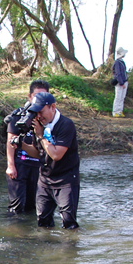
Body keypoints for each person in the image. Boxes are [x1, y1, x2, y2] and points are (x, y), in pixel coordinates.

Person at [22, 92, 80, 229]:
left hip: (66, 180)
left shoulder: (66, 125)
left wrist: (41, 136)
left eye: (41, 112)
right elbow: (38, 153)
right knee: (43, 222)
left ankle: (70, 249)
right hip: (45, 180)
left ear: (52, 107)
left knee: (69, 223)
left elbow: (56, 155)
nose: (39, 116)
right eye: (36, 113)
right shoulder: (38, 126)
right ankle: (46, 249)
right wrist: (22, 145)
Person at [6, 80, 49, 214]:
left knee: (34, 206)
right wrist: (10, 165)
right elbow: (10, 141)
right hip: (20, 165)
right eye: (37, 96)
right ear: (30, 97)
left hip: (39, 167)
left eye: (44, 95)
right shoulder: (19, 115)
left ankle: (31, 234)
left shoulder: (49, 117)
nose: (40, 99)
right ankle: (15, 232)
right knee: (17, 206)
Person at [112, 47, 128, 117]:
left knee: (122, 97)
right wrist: (121, 83)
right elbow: (118, 73)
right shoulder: (117, 62)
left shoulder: (121, 62)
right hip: (120, 82)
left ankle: (120, 110)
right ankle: (115, 111)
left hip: (124, 81)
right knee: (118, 97)